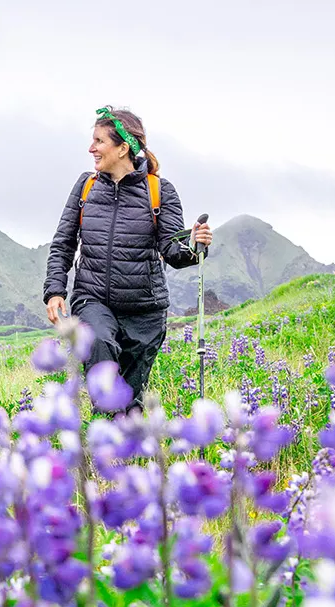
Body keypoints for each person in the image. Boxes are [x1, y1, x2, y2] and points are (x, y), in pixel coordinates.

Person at [43, 106, 211, 407]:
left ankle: (124, 452)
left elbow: (172, 251)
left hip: (145, 311)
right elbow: (63, 243)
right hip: (92, 299)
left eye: (99, 141)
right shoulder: (86, 187)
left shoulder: (159, 191)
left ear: (123, 148)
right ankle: (105, 439)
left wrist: (194, 244)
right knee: (100, 349)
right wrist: (55, 290)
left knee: (131, 404)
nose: (91, 148)